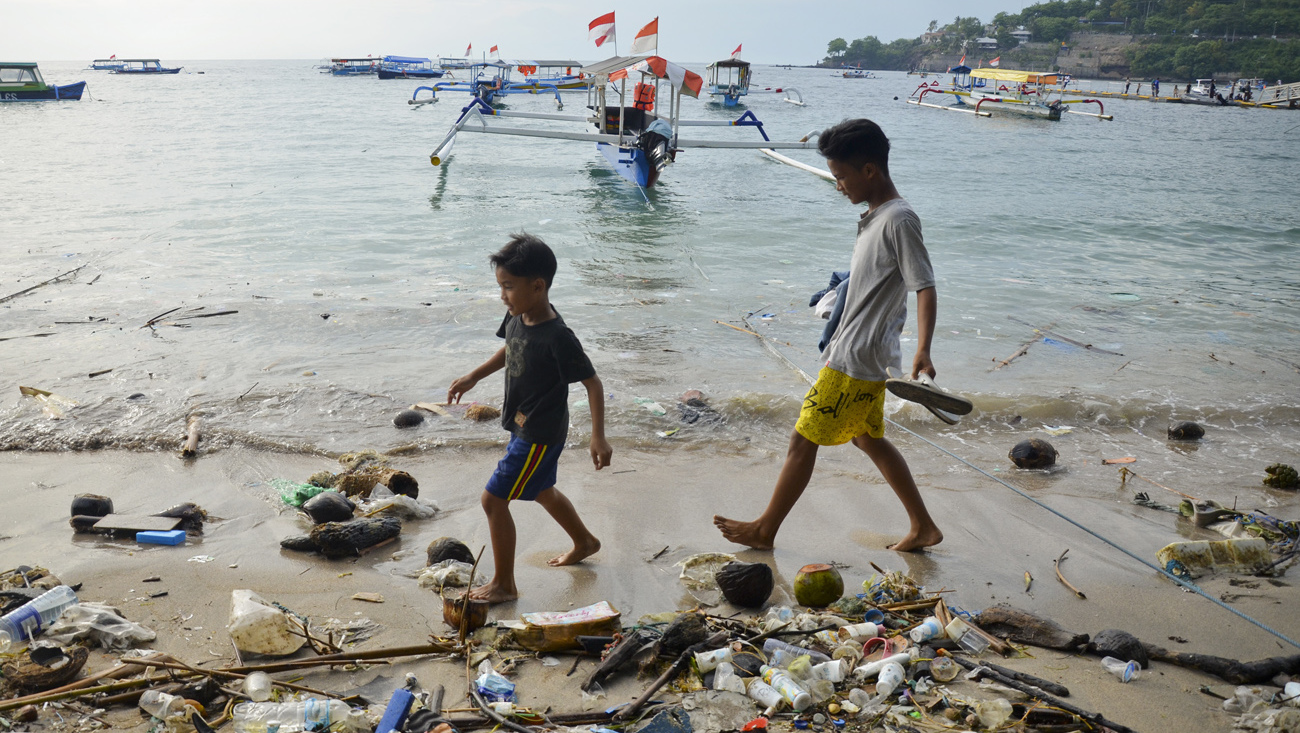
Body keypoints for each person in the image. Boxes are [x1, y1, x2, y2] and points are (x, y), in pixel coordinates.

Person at [714, 118, 943, 554]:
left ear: (869, 171)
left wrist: (924, 349)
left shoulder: (899, 219)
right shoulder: (877, 217)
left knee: (803, 438)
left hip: (857, 358)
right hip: (854, 349)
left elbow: (924, 285)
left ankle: (765, 530)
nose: (838, 185)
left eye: (841, 176)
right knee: (867, 437)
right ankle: (923, 526)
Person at [449, 234, 612, 603]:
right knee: (540, 490)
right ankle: (585, 542)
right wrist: (475, 375)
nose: (502, 296)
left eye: (508, 287)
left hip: (539, 432)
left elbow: (593, 383)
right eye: (500, 287)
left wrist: (598, 437)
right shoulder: (517, 314)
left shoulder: (559, 337)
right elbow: (510, 348)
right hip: (522, 423)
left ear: (537, 286)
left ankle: (504, 585)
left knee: (493, 500)